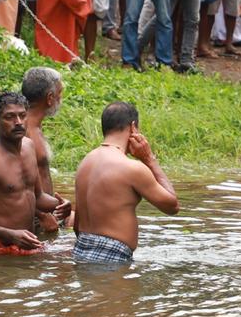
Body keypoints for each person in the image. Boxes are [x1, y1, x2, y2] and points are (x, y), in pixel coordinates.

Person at [0, 92, 70, 255]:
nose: (18, 122)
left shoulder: (29, 147)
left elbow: (37, 197)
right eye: (9, 117)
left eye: (22, 116)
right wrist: (9, 233)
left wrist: (61, 205)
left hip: (27, 243)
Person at [73, 102, 180, 264]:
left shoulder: (85, 163)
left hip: (80, 250)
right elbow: (172, 206)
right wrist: (149, 160)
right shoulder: (132, 168)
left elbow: (76, 226)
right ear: (133, 128)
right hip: (112, 257)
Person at [21, 67, 71, 232]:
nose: (61, 98)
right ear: (50, 98)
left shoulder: (33, 127)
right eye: (60, 93)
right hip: (34, 218)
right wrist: (42, 216)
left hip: (46, 212)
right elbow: (13, 183)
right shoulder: (24, 131)